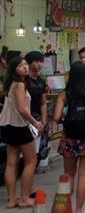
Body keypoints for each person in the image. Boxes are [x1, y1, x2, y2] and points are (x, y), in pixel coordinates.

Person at [54, 61, 85, 213]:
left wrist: (66, 117)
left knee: (69, 174)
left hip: (69, 138)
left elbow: (56, 118)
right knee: (84, 174)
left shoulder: (64, 95)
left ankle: (64, 208)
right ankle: (79, 209)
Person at [0, 56, 43, 208]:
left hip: (7, 126)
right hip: (19, 126)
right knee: (31, 161)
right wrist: (35, 122)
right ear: (14, 69)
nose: (24, 67)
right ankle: (24, 198)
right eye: (20, 65)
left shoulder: (10, 83)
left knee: (12, 163)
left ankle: (12, 199)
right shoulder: (19, 84)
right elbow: (23, 109)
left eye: (25, 64)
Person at [25, 52, 48, 161]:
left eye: (41, 61)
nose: (40, 64)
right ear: (29, 63)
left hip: (37, 119)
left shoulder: (42, 81)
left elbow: (43, 103)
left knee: (35, 153)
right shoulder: (23, 81)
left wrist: (43, 122)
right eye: (37, 61)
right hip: (24, 119)